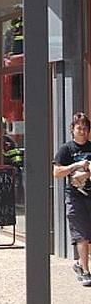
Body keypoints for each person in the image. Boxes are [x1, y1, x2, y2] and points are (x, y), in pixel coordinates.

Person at [53, 112, 91, 287]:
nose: (82, 131)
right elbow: (57, 173)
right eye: (79, 128)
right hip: (75, 197)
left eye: (85, 128)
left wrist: (87, 173)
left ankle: (79, 264)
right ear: (72, 130)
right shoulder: (66, 149)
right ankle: (85, 269)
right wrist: (75, 166)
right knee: (81, 234)